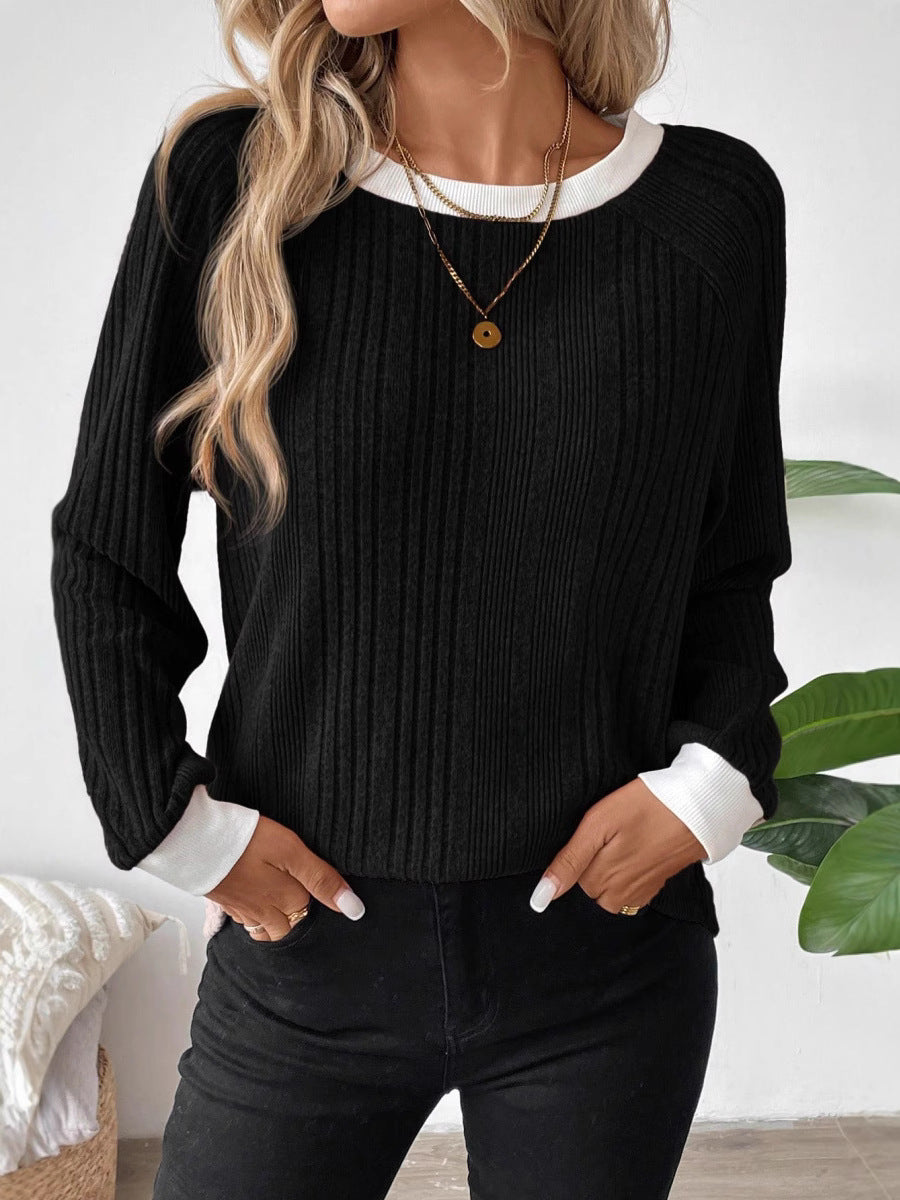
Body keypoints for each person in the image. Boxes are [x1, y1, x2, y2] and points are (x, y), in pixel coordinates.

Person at [48, 1, 793, 1196]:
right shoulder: (235, 180)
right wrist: (176, 826)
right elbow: (106, 546)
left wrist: (710, 784)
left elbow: (731, 559)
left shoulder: (712, 209)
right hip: (308, 954)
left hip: (605, 969)